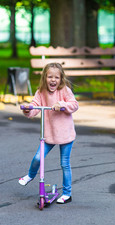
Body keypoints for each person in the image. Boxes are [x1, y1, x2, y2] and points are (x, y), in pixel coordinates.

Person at [18, 62, 79, 204]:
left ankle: (67, 193)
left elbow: (74, 104)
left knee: (65, 164)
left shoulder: (64, 90)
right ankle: (30, 175)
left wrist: (62, 105)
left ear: (61, 78)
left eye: (56, 77)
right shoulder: (40, 92)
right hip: (48, 135)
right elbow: (34, 108)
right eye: (50, 77)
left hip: (66, 134)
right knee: (38, 158)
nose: (53, 80)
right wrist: (28, 109)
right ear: (44, 77)